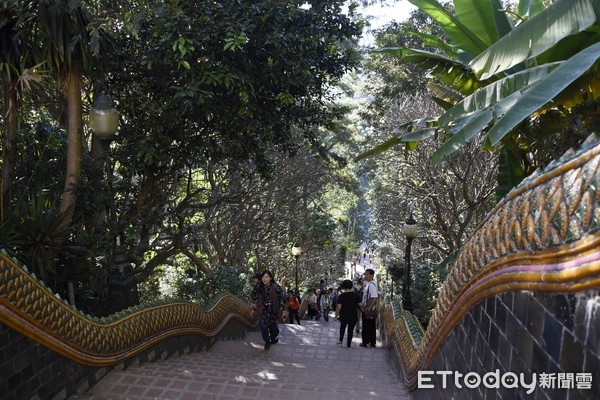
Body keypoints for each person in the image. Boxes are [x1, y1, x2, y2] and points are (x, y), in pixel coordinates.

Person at [252, 270, 288, 349]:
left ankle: (273, 337)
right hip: (262, 310)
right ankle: (267, 341)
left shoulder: (275, 286)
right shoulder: (259, 287)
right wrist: (254, 303)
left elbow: (283, 297)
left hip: (273, 311)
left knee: (273, 327)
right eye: (263, 277)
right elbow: (254, 295)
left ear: (270, 278)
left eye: (266, 277)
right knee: (263, 326)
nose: (264, 279)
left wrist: (282, 309)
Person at [335, 279, 361, 347]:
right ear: (351, 286)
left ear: (343, 286)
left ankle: (340, 341)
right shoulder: (356, 295)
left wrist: (336, 315)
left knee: (342, 328)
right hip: (353, 315)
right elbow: (361, 304)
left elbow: (338, 307)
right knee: (350, 330)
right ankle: (348, 344)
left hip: (343, 315)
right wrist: (365, 309)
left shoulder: (341, 296)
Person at [359, 269, 378, 348]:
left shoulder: (372, 285)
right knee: (368, 326)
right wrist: (365, 275)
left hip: (368, 309)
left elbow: (374, 298)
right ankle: (369, 342)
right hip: (366, 308)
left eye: (367, 274)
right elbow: (361, 281)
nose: (365, 276)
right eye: (365, 274)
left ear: (371, 275)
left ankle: (367, 342)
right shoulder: (368, 283)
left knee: (368, 326)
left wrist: (369, 308)